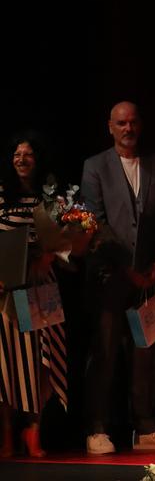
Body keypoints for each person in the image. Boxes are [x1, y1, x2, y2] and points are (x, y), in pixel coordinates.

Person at [80, 102, 155, 456]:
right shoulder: (95, 166)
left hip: (149, 279)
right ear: (110, 127)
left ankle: (145, 429)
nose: (128, 128)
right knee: (106, 353)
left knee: (144, 354)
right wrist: (128, 268)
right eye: (121, 123)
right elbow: (95, 220)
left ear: (141, 125)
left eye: (133, 122)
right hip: (111, 278)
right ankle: (97, 428)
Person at [0, 133, 70, 457]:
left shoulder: (50, 199)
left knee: (41, 360)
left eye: (28, 154)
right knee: (8, 362)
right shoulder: (2, 196)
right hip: (7, 290)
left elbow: (69, 240)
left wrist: (51, 254)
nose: (22, 159)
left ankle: (33, 431)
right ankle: (6, 435)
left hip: (41, 288)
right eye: (17, 153)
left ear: (38, 160)